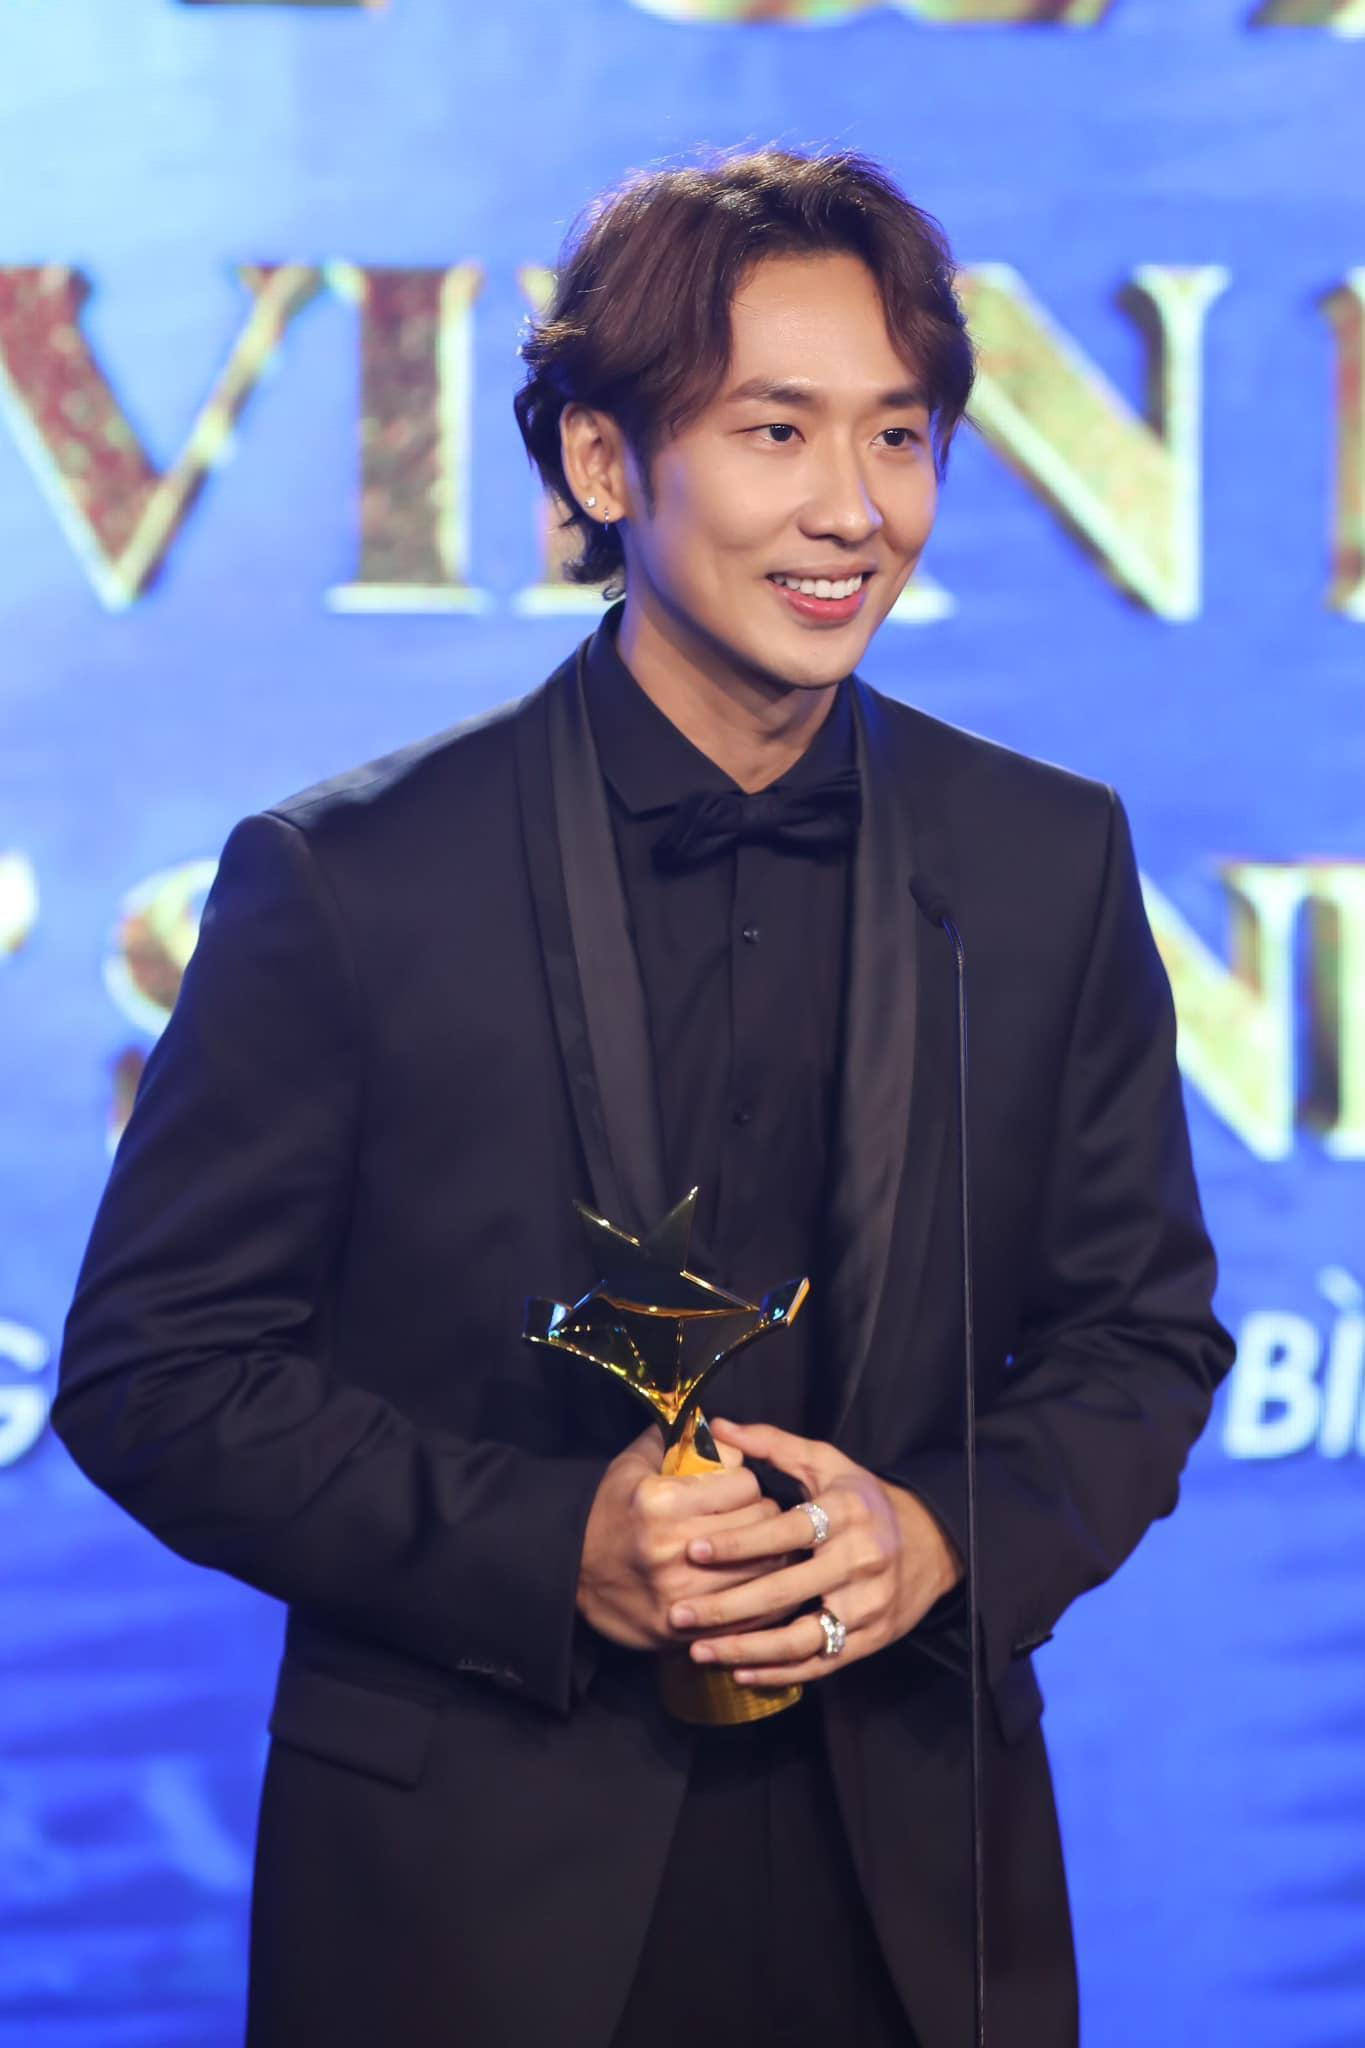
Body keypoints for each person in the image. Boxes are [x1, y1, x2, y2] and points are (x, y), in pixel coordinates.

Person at [54, 148, 1233, 2048]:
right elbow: (157, 1375)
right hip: (465, 1896)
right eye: (775, 430)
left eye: (900, 436)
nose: (852, 507)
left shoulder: (1041, 861)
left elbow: (1140, 1335)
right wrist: (549, 1549)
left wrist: (944, 1536)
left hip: (917, 1887)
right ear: (603, 463)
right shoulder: (352, 881)